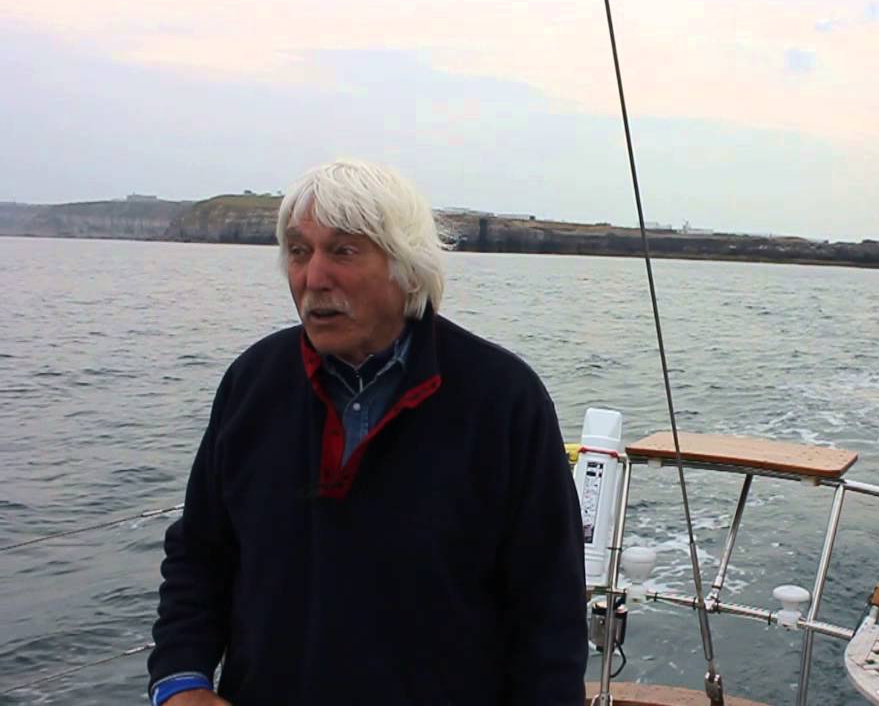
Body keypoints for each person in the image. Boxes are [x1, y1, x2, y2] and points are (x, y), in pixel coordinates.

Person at [147, 159, 587, 705]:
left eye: (343, 251)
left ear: (408, 267)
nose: (314, 279)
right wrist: (181, 681)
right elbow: (200, 554)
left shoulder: (503, 401)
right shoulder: (252, 384)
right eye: (300, 252)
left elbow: (549, 609)